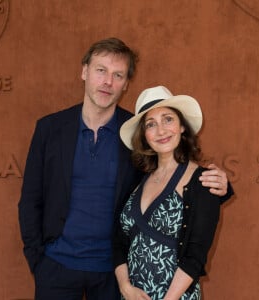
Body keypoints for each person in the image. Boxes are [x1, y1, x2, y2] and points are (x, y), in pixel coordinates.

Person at [18, 38, 232, 300]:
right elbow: (30, 199)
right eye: (101, 71)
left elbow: (172, 173)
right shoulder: (49, 129)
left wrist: (221, 186)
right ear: (84, 71)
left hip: (114, 272)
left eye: (117, 74)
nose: (108, 81)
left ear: (126, 83)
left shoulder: (136, 136)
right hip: (56, 267)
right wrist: (37, 260)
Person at [114, 86, 229, 300]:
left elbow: (196, 255)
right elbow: (119, 241)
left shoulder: (204, 182)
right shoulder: (138, 181)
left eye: (168, 119)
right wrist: (125, 287)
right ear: (144, 135)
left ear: (182, 126)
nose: (161, 130)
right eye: (151, 124)